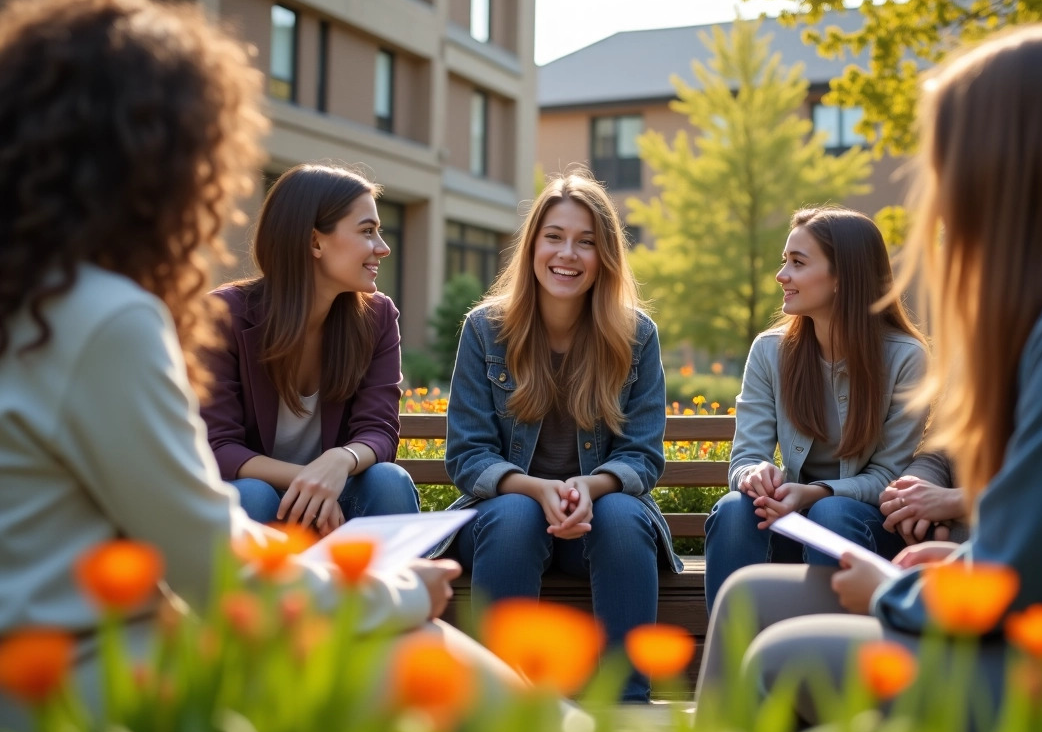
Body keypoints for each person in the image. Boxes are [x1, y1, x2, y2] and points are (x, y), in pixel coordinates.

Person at [0, 0, 514, 732]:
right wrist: (399, 591)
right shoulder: (106, 318)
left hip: (72, 649)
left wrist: (342, 477)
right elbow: (223, 575)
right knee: (435, 656)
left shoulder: (36, 301)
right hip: (82, 676)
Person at [696, 24, 1042, 732]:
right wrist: (962, 558)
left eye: (947, 161)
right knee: (748, 600)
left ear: (1010, 168)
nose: (940, 193)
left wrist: (892, 589)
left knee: (780, 656)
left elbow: (1008, 583)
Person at [440, 168, 680, 702]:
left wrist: (585, 489)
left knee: (622, 515)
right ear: (532, 247)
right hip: (507, 527)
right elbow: (467, 455)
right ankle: (504, 700)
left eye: (585, 242)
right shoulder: (485, 329)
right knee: (513, 514)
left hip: (596, 520)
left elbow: (642, 455)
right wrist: (537, 490)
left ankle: (628, 702)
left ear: (605, 257)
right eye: (554, 237)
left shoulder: (636, 336)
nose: (567, 254)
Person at [703, 207, 931, 614]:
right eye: (784, 260)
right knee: (735, 510)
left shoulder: (905, 359)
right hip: (789, 520)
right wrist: (754, 473)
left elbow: (889, 478)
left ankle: (838, 667)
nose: (781, 275)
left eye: (797, 263)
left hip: (861, 529)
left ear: (843, 276)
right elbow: (745, 456)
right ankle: (731, 670)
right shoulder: (769, 351)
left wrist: (814, 493)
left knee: (832, 510)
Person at [202, 164, 419, 535]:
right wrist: (311, 479)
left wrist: (341, 459)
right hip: (255, 503)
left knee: (388, 481)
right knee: (254, 496)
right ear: (315, 242)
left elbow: (379, 431)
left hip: (338, 500)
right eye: (367, 231)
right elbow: (217, 446)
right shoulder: (224, 315)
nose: (382, 249)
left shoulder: (377, 317)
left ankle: (395, 591)